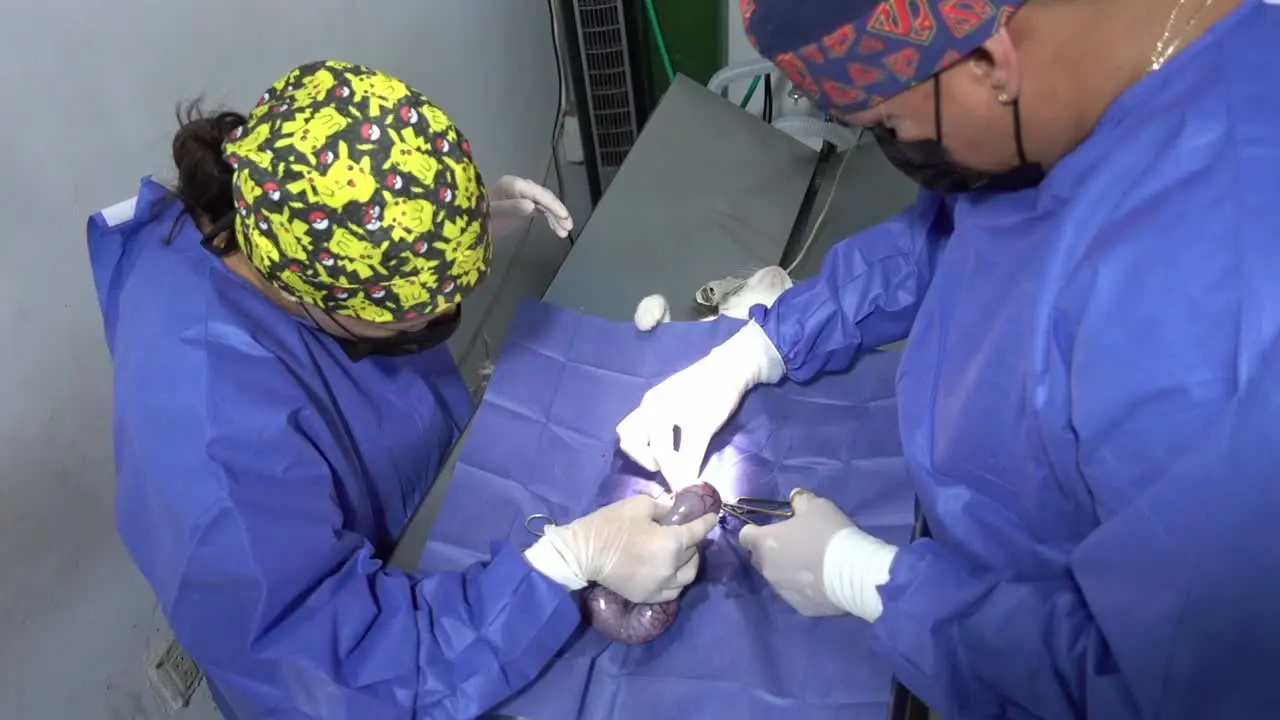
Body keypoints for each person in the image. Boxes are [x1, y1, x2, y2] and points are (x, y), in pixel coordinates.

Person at [617, 0, 1280, 716]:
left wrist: (873, 583)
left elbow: (1168, 694)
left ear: (990, 62)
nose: (900, 150)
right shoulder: (1079, 72)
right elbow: (967, 230)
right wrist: (765, 343)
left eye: (890, 128)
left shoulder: (1221, 329)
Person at [88, 60, 716, 719]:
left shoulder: (270, 207)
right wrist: (563, 565)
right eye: (416, 314)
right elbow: (345, 679)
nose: (433, 323)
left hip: (419, 521)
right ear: (317, 292)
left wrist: (461, 236)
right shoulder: (209, 447)